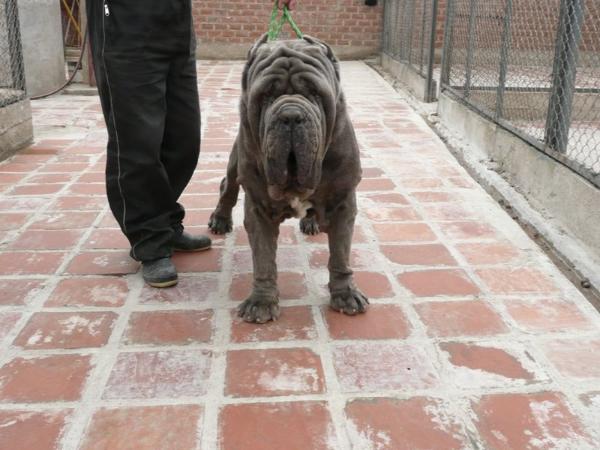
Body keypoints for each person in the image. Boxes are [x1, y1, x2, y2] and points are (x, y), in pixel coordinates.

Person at [86, 0, 297, 288]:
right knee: (138, 145)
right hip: (124, 27)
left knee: (184, 140)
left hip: (176, 28)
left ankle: (163, 222)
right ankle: (149, 240)